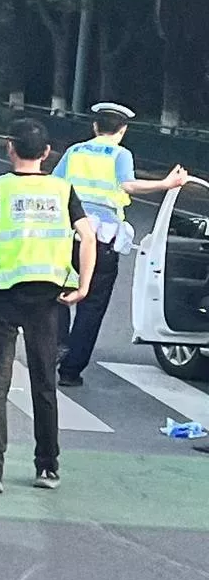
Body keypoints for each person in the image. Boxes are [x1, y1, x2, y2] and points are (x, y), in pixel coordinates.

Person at [0, 117, 96, 494]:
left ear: (9, 147)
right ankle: (47, 468)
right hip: (49, 299)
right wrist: (83, 285)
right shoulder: (62, 188)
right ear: (47, 153)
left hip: (4, 296)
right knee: (44, 384)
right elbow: (88, 236)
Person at [54, 102, 187, 387]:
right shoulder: (120, 154)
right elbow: (128, 185)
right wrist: (166, 184)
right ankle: (70, 370)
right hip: (102, 241)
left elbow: (54, 186)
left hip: (67, 236)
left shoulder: (74, 151)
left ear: (94, 126)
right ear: (123, 130)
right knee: (91, 306)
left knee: (59, 294)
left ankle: (57, 344)